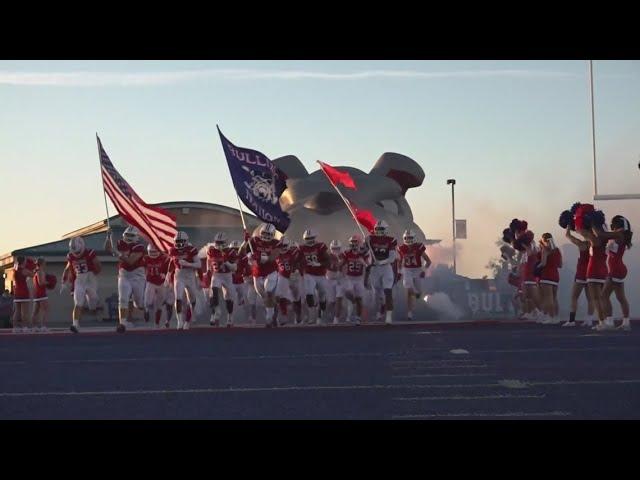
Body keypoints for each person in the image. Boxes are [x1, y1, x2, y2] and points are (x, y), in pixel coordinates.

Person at [592, 215, 633, 331]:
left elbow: (601, 235)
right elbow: (602, 235)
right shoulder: (620, 234)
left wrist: (592, 224)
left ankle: (609, 322)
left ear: (616, 225)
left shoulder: (619, 234)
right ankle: (626, 322)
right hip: (618, 268)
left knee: (603, 295)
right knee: (621, 297)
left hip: (616, 269)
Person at [105, 226, 146, 333]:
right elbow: (108, 249)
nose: (128, 237)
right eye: (127, 235)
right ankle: (122, 323)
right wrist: (108, 236)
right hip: (124, 274)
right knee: (123, 299)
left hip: (137, 275)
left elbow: (130, 261)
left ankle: (143, 307)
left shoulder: (139, 247)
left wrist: (118, 253)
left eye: (131, 235)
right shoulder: (120, 243)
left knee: (139, 303)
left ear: (136, 237)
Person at [239, 223, 281, 328]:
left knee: (269, 292)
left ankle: (269, 318)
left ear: (273, 234)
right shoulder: (254, 241)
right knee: (264, 296)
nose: (266, 236)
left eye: (268, 234)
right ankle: (273, 308)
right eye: (264, 233)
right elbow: (240, 253)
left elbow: (272, 257)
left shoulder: (276, 243)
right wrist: (245, 242)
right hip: (257, 273)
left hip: (270, 272)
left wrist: (258, 257)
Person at [575, 205, 609, 331]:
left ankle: (602, 322)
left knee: (596, 298)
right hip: (602, 269)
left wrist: (580, 219)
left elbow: (581, 231)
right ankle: (606, 321)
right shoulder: (603, 237)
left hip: (594, 270)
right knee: (602, 297)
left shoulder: (595, 240)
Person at [62, 237, 101, 333]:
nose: (77, 253)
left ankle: (93, 305)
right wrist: (63, 281)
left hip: (90, 277)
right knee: (78, 302)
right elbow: (67, 268)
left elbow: (98, 265)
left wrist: (95, 273)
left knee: (93, 300)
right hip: (79, 279)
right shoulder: (71, 256)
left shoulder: (90, 253)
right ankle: (75, 324)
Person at [167, 231, 201, 330]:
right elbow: (171, 262)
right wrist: (168, 275)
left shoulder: (191, 250)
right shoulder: (173, 250)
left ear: (186, 241)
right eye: (177, 241)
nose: (179, 243)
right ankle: (180, 320)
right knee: (178, 297)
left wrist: (187, 264)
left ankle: (188, 320)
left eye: (181, 241)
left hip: (190, 275)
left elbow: (198, 265)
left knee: (192, 299)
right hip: (179, 275)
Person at [563, 227, 595, 327]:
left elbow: (568, 236)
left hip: (581, 273)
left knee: (574, 297)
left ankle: (572, 321)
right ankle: (589, 320)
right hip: (590, 273)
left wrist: (568, 226)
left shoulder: (582, 244)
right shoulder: (595, 244)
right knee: (590, 298)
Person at [397, 229, 432, 321]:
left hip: (417, 270)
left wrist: (424, 270)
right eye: (406, 238)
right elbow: (400, 261)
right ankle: (409, 313)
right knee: (408, 287)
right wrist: (400, 272)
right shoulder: (401, 248)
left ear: (414, 238)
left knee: (419, 293)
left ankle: (416, 294)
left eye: (410, 238)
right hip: (407, 269)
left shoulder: (418, 247)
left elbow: (428, 261)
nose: (408, 240)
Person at [367, 220, 397, 325]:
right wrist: (364, 243)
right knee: (377, 294)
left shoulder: (391, 240)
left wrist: (381, 261)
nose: (379, 231)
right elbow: (362, 251)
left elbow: (393, 257)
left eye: (381, 229)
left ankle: (388, 317)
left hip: (386, 268)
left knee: (388, 292)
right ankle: (382, 307)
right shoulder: (370, 239)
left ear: (386, 230)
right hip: (375, 269)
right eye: (377, 229)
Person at [299, 228, 330, 325]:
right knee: (309, 293)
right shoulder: (302, 248)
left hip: (321, 274)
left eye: (311, 238)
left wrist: (319, 264)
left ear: (315, 238)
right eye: (307, 238)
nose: (309, 240)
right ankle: (312, 315)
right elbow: (299, 261)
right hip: (309, 274)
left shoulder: (320, 246)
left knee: (322, 296)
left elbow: (328, 262)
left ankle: (321, 315)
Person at [207, 232, 238, 328]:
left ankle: (230, 317)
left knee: (228, 298)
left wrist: (226, 262)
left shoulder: (231, 252)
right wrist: (208, 270)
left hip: (227, 276)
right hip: (217, 275)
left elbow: (234, 268)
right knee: (213, 291)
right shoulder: (212, 250)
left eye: (221, 242)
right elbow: (208, 260)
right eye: (217, 242)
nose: (219, 244)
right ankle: (216, 312)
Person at [341, 235, 370, 325]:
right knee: (347, 292)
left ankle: (358, 318)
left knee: (359, 299)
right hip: (349, 277)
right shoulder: (347, 253)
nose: (353, 245)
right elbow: (341, 264)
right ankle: (353, 301)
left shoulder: (363, 253)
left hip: (359, 278)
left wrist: (364, 263)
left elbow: (368, 266)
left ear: (359, 244)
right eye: (352, 243)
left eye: (355, 243)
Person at [274, 236, 302, 326]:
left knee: (296, 299)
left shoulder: (293, 252)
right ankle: (284, 315)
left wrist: (297, 270)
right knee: (281, 296)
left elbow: (300, 261)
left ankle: (298, 314)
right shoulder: (276, 255)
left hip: (294, 277)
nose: (283, 247)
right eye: (281, 245)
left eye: (284, 245)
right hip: (283, 277)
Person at [537, 233, 562, 324]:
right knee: (554, 298)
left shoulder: (545, 249)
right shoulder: (557, 250)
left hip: (546, 275)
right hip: (555, 275)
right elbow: (560, 265)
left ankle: (551, 317)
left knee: (548, 298)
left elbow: (543, 263)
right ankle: (556, 317)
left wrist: (536, 267)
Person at [143, 244, 170, 329]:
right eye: (151, 252)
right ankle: (146, 310)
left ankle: (157, 323)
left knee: (159, 305)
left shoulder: (164, 258)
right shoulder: (145, 258)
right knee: (148, 302)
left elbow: (170, 268)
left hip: (161, 283)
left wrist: (165, 274)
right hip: (150, 282)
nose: (153, 253)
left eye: (155, 251)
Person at [11, 256, 34, 333]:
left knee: (17, 311)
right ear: (23, 262)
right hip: (23, 291)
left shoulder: (14, 270)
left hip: (17, 292)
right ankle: (24, 327)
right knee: (25, 311)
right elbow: (33, 275)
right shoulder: (24, 270)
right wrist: (33, 267)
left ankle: (15, 327)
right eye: (25, 261)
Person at [326, 240, 346, 325]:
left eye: (337, 248)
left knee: (339, 298)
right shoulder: (328, 256)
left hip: (340, 280)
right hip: (330, 280)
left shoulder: (343, 255)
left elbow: (345, 268)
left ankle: (336, 318)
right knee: (331, 301)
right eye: (334, 248)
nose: (335, 250)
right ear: (331, 248)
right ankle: (326, 315)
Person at [32, 257, 53, 332]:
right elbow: (41, 283)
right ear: (41, 263)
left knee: (36, 311)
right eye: (44, 263)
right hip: (41, 293)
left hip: (36, 293)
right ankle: (43, 326)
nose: (45, 264)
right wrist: (49, 282)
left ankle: (34, 327)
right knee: (46, 310)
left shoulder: (35, 272)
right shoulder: (40, 271)